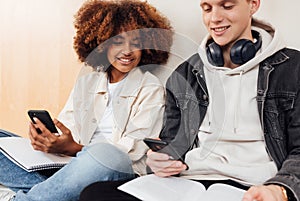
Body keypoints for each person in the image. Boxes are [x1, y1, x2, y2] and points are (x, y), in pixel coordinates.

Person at [79, 0, 300, 200]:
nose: (215, 18)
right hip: (187, 183)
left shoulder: (293, 69)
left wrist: (280, 189)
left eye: (227, 6)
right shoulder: (185, 73)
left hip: (254, 187)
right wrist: (159, 162)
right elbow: (171, 144)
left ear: (253, 4)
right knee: (94, 194)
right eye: (207, 8)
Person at [0, 0, 173, 200]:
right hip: (70, 166)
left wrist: (75, 148)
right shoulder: (87, 83)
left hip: (115, 169)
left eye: (135, 43)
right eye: (118, 42)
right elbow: (68, 127)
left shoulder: (151, 88)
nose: (127, 51)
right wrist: (49, 139)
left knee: (106, 155)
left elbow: (129, 153)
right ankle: (54, 191)